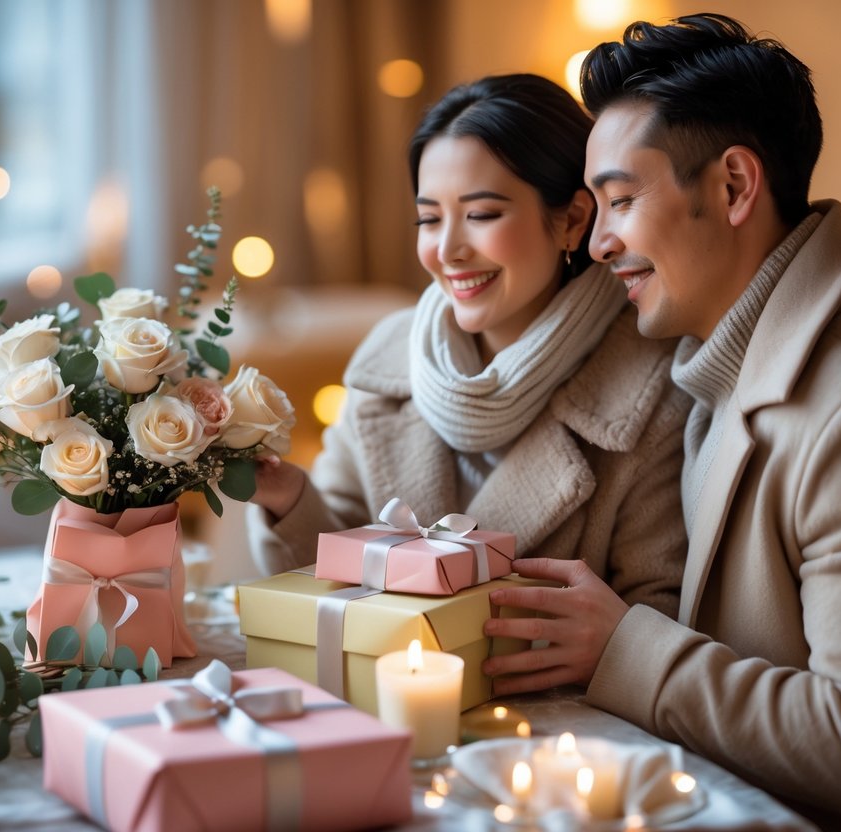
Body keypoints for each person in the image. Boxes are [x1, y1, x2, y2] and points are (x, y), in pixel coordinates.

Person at [482, 14, 841, 831]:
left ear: (733, 186)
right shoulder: (711, 371)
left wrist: (625, 648)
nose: (598, 243)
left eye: (619, 200)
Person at [247, 73, 691, 618]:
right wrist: (289, 499)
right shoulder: (390, 356)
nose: (448, 249)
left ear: (573, 220)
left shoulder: (650, 389)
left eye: (481, 215)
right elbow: (337, 564)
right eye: (429, 219)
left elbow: (657, 611)